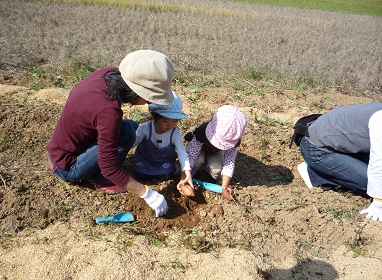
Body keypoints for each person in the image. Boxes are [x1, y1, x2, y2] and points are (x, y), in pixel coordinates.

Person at [47, 49, 175, 217]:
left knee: (128, 128)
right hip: (68, 166)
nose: (149, 102)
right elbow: (109, 167)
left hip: (63, 149)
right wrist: (148, 194)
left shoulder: (107, 74)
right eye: (149, 97)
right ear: (135, 90)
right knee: (127, 132)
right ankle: (98, 179)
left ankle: (94, 169)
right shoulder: (108, 111)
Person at [297, 102, 382, 222]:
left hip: (343, 146)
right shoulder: (380, 120)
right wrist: (379, 204)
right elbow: (378, 164)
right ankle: (314, 174)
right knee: (372, 183)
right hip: (317, 149)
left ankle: (338, 166)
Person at [181, 105, 248, 200]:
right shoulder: (202, 132)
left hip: (215, 152)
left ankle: (208, 170)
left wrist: (224, 187)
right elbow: (192, 155)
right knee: (197, 160)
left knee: (217, 171)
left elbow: (229, 163)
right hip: (200, 149)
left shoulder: (234, 139)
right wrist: (184, 176)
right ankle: (193, 172)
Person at [132, 91, 194, 190]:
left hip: (164, 162)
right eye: (165, 121)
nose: (170, 125)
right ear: (155, 117)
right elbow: (133, 142)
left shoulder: (175, 133)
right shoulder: (146, 128)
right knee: (141, 175)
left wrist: (186, 171)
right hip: (146, 159)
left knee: (167, 175)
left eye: (174, 121)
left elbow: (181, 152)